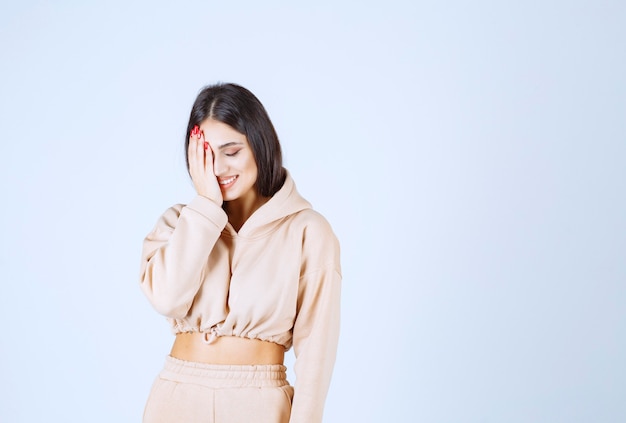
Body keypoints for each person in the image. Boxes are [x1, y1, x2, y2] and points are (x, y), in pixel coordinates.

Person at [139, 83, 341, 423]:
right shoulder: (179, 222)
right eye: (206, 154)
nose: (218, 169)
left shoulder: (308, 231)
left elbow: (316, 355)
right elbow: (167, 299)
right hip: (175, 399)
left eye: (231, 152)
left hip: (258, 406)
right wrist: (205, 207)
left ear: (260, 146)